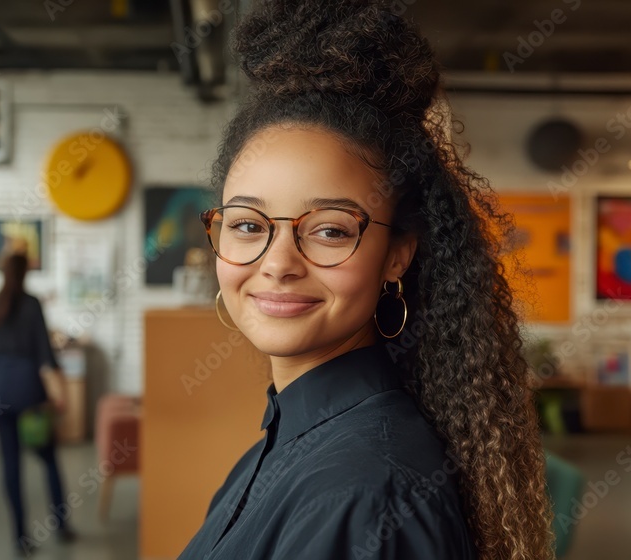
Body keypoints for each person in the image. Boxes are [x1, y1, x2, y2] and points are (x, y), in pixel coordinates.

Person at [177, 2, 553, 559]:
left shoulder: (366, 497)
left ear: (396, 256)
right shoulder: (288, 439)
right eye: (249, 224)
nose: (277, 262)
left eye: (330, 230)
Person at [0, 253, 75, 556]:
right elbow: (45, 354)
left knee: (10, 464)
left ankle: (20, 537)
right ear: (26, 273)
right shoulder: (32, 304)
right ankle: (61, 525)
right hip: (29, 392)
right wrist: (58, 393)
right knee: (48, 459)